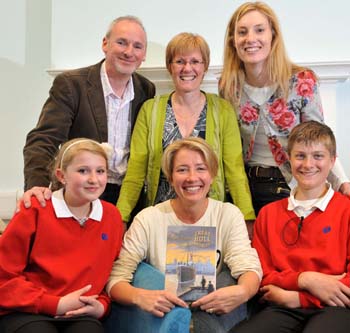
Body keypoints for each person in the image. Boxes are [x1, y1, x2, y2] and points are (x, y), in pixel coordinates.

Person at [107, 137, 262, 333]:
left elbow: (248, 267)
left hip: (215, 314)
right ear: (170, 177)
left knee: (226, 282)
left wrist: (243, 291)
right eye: (182, 170)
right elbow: (116, 279)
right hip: (164, 318)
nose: (192, 177)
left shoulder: (228, 214)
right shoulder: (148, 219)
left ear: (212, 174)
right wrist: (140, 296)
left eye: (200, 168)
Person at [219, 1, 350, 216]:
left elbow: (319, 138)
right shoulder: (228, 85)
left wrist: (342, 181)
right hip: (245, 188)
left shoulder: (301, 81)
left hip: (292, 186)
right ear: (233, 41)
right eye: (242, 32)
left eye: (259, 30)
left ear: (273, 35)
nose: (250, 39)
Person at [116, 32, 255, 227]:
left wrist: (247, 217)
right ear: (170, 66)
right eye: (179, 61)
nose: (187, 68)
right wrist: (121, 218)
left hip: (210, 221)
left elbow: (235, 170)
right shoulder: (150, 110)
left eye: (195, 61)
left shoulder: (222, 110)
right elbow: (135, 171)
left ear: (204, 66)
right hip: (160, 219)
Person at [22, 15, 155, 207]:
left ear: (144, 55)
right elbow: (43, 139)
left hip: (128, 196)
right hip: (79, 192)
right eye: (121, 42)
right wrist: (37, 185)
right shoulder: (72, 85)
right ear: (105, 44)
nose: (129, 52)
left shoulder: (146, 89)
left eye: (137, 46)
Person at [232, 121, 350, 333]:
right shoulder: (268, 214)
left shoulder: (346, 210)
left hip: (336, 307)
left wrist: (300, 297)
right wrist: (305, 278)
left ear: (332, 161)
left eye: (318, 156)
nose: (308, 164)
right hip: (281, 307)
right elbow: (264, 274)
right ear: (289, 159)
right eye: (300, 156)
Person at [0, 138, 124, 333]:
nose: (94, 179)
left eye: (100, 171)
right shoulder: (34, 209)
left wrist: (102, 306)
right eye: (83, 171)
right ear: (61, 175)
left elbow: (113, 273)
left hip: (79, 313)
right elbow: (4, 277)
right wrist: (55, 304)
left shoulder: (112, 217)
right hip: (27, 309)